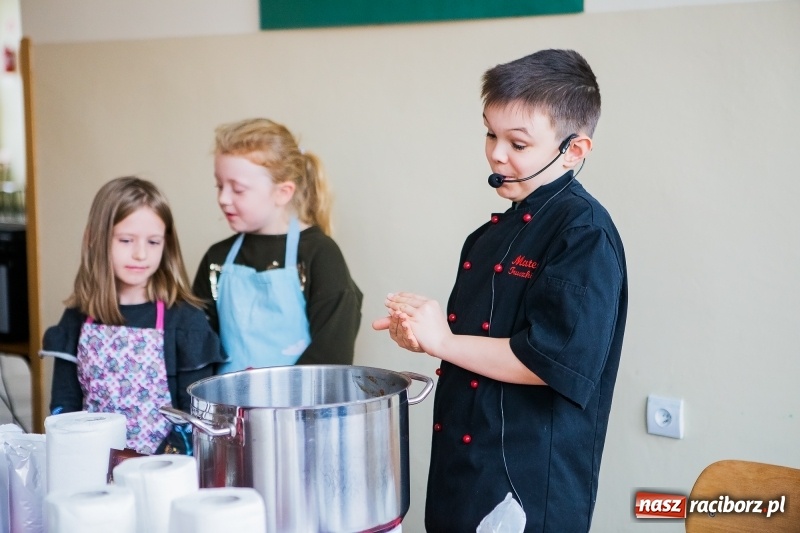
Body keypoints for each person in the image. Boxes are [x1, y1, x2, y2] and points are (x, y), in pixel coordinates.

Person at [373, 49, 627, 532]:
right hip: (463, 472)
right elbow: (475, 347)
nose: (496, 154)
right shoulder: (488, 236)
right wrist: (426, 337)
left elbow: (548, 362)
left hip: (527, 486)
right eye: (491, 134)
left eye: (518, 143)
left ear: (574, 150)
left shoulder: (584, 234)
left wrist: (444, 342)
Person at [41, 176, 226, 455]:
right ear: (94, 239)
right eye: (126, 240)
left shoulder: (186, 321)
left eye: (153, 242)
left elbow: (193, 415)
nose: (141, 254)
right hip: (91, 461)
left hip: (162, 467)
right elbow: (64, 407)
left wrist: (153, 465)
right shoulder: (77, 318)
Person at [193, 118, 363, 373]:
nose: (223, 198)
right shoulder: (217, 257)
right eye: (219, 186)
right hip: (228, 399)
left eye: (238, 189)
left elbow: (332, 353)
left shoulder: (319, 254)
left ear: (283, 192)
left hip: (304, 399)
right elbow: (198, 345)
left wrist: (277, 394)